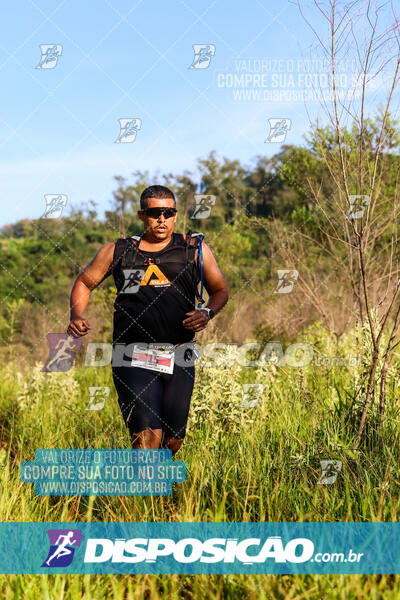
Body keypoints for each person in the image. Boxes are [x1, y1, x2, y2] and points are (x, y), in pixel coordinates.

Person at [67, 185, 228, 455]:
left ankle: (161, 491)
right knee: (146, 439)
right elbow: (84, 282)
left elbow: (220, 291)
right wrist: (76, 315)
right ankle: (145, 495)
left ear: (176, 215)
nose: (162, 219)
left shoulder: (194, 249)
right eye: (155, 213)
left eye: (168, 212)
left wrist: (206, 313)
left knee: (173, 440)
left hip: (179, 355)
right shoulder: (118, 252)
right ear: (143, 215)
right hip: (132, 355)